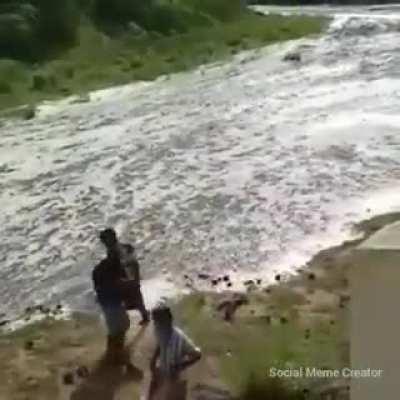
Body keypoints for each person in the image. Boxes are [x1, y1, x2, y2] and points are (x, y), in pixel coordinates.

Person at [92, 228, 147, 367]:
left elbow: (132, 264)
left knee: (133, 306)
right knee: (121, 323)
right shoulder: (114, 255)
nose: (105, 243)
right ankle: (119, 356)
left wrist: (133, 279)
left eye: (106, 240)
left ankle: (116, 354)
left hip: (123, 284)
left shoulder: (117, 253)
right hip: (120, 286)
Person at [148, 305, 202, 400]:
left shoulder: (180, 338)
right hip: (163, 369)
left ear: (169, 320)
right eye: (155, 321)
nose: (156, 324)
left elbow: (198, 354)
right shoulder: (159, 330)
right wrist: (154, 359)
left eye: (159, 321)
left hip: (178, 377)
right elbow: (160, 344)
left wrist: (181, 365)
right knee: (153, 390)